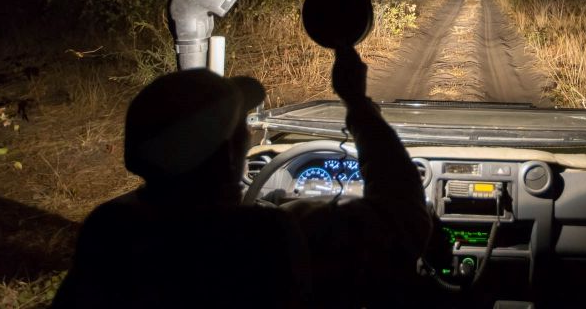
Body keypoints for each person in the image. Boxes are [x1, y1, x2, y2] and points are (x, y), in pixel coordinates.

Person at [52, 47, 431, 308]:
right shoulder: (265, 235)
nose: (249, 135)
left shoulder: (109, 227)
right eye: (242, 129)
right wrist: (358, 104)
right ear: (229, 154)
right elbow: (405, 221)